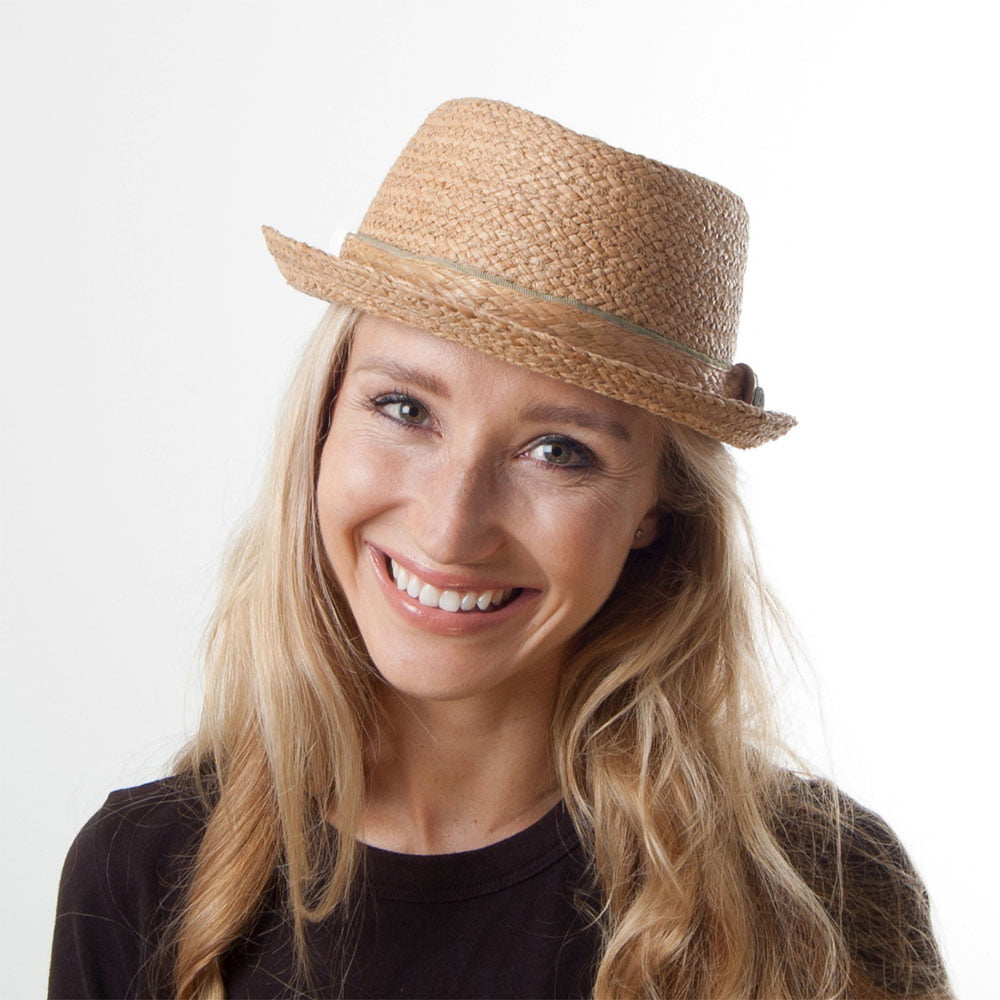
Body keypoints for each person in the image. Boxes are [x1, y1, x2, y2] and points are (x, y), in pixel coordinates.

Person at [48, 98, 951, 999]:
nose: (449, 528)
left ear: (657, 508)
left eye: (558, 451)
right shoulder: (144, 874)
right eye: (404, 408)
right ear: (323, 419)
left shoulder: (821, 894)